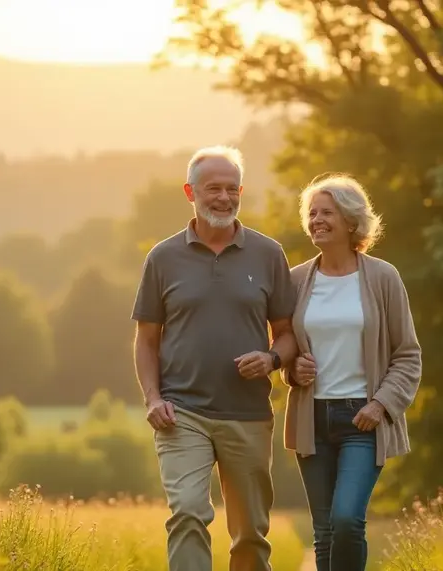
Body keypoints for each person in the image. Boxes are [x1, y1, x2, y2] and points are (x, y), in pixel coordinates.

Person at [131, 145, 298, 571]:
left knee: (249, 534)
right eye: (212, 189)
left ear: (240, 191)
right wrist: (152, 398)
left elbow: (288, 334)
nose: (223, 197)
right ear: (190, 192)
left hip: (247, 414)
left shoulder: (268, 254)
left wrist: (271, 359)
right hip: (180, 411)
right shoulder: (163, 258)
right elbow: (146, 339)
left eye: (231, 188)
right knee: (187, 512)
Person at [281, 173, 422, 571]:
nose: (316, 219)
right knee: (324, 531)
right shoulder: (296, 281)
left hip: (363, 419)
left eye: (327, 212)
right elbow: (286, 350)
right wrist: (293, 371)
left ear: (350, 220)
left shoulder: (382, 278)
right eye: (312, 213)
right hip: (313, 418)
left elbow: (408, 355)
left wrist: (381, 405)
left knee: (346, 521)